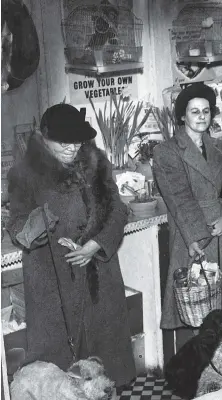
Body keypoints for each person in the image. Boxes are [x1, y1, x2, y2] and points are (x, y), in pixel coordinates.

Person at [6, 104, 136, 386]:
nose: (71, 148)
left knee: (106, 370)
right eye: (63, 142)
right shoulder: (24, 175)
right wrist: (42, 220)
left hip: (98, 276)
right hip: (54, 284)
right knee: (62, 373)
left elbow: (118, 209)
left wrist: (97, 244)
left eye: (76, 141)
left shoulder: (96, 163)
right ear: (44, 138)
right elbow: (16, 227)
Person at [153, 83, 222, 347]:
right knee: (192, 302)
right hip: (188, 232)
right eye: (195, 111)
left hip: (221, 231)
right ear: (183, 116)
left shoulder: (219, 147)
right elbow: (178, 198)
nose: (202, 116)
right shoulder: (167, 151)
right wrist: (195, 238)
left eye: (206, 111)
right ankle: (195, 371)